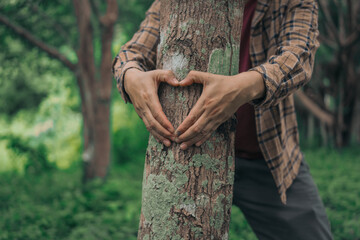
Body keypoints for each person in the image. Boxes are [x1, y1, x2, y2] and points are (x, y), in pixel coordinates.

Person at [112, 0, 333, 239]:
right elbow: (132, 53)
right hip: (188, 156)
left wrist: (245, 86)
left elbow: (299, 56)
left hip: (269, 160)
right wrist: (130, 76)